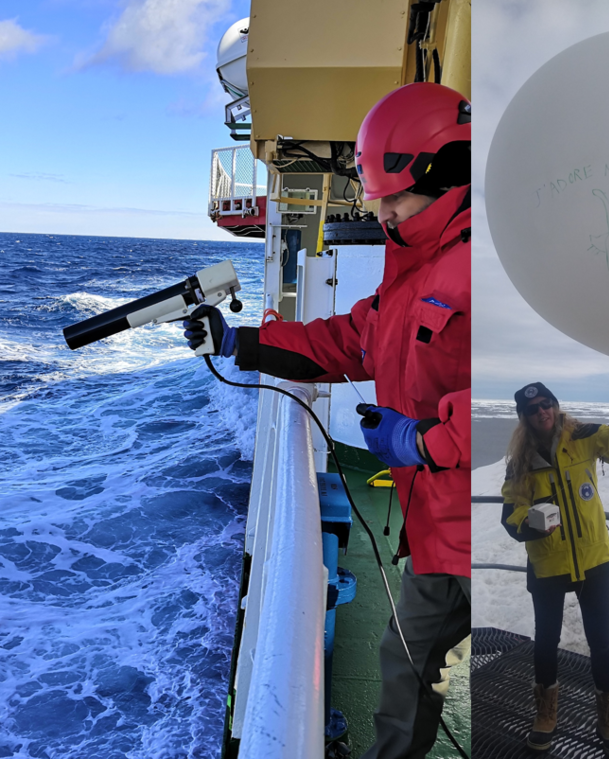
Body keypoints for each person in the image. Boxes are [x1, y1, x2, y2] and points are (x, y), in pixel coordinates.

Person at [184, 82, 472, 759]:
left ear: (449, 177)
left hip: (471, 529)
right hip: (433, 520)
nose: (382, 213)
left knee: (408, 672)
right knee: (415, 666)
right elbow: (343, 341)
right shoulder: (414, 274)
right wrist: (240, 343)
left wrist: (418, 438)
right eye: (377, 197)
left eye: (395, 197)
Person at [500, 380, 609, 758]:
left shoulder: (584, 436)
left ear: (555, 406)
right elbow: (511, 514)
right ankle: (545, 714)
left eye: (547, 404)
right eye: (533, 409)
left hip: (592, 558)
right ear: (524, 418)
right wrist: (533, 522)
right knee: (546, 641)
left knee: (601, 641)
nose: (542, 411)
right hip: (548, 563)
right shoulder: (520, 461)